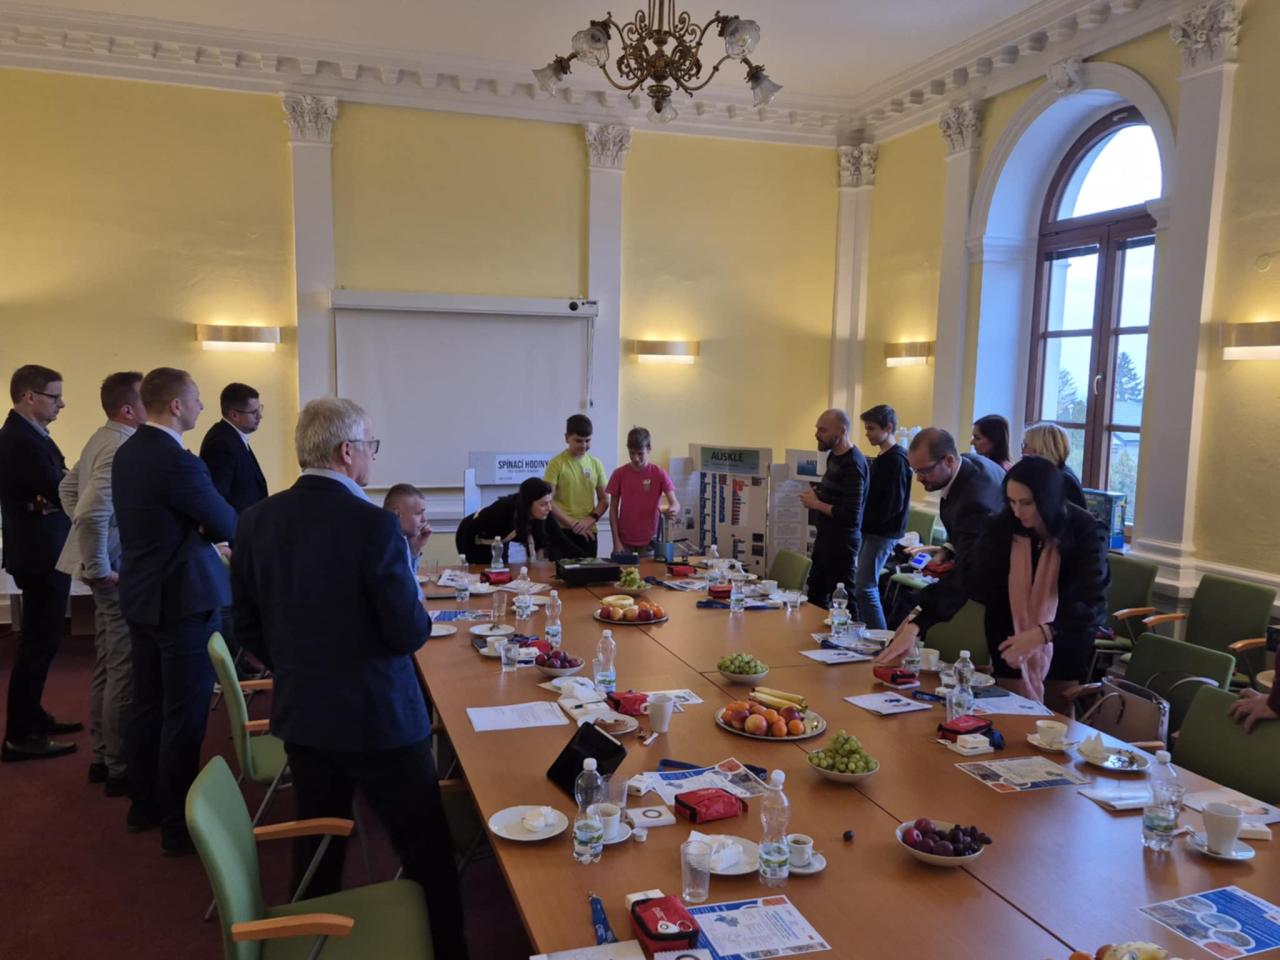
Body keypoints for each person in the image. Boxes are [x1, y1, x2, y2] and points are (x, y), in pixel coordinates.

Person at [231, 397, 467, 959]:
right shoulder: (373, 525)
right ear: (346, 451)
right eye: (369, 446)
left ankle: (308, 943)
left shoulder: (256, 520)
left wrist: (299, 666)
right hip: (380, 720)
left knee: (318, 845)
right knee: (427, 851)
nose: (371, 456)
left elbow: (246, 626)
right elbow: (407, 632)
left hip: (305, 714)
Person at [113, 367, 236, 854]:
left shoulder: (129, 452)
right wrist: (203, 528)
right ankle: (178, 825)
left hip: (141, 594)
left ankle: (143, 804)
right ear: (177, 406)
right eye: (198, 398)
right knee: (184, 714)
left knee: (147, 705)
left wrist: (198, 526)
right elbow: (225, 521)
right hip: (181, 601)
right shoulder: (177, 461)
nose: (202, 406)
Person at [876, 456, 1109, 710]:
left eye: (1026, 503)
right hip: (1008, 633)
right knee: (1011, 715)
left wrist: (1042, 633)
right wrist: (917, 624)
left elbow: (1092, 604)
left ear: (1049, 499)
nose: (1018, 511)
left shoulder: (1086, 531)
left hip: (1064, 639)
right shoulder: (1004, 526)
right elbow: (965, 577)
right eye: (1011, 502)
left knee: (1054, 720)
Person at [55, 371, 145, 793]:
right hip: (113, 570)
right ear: (128, 410)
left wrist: (93, 546)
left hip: (106, 564)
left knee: (109, 661)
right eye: (146, 400)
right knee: (122, 666)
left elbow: (67, 489)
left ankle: (102, 754)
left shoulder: (100, 437)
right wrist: (99, 564)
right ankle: (118, 765)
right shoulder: (120, 446)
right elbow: (89, 512)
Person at [0, 364, 81, 761]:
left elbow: (57, 486)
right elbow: (59, 487)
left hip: (44, 547)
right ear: (29, 396)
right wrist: (65, 487)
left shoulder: (30, 435)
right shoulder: (20, 440)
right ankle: (20, 735)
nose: (61, 404)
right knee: (37, 644)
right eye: (54, 396)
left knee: (42, 642)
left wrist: (60, 488)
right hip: (39, 552)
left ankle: (32, 716)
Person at [905, 427, 1004, 565]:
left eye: (925, 471)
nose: (919, 478)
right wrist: (947, 550)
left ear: (949, 461)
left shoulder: (973, 504)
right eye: (916, 471)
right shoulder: (967, 461)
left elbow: (971, 567)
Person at [800, 408, 868, 609]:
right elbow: (837, 496)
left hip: (842, 544)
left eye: (823, 430)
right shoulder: (833, 456)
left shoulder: (853, 464)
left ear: (841, 431)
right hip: (825, 538)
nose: (817, 434)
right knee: (815, 595)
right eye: (817, 429)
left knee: (844, 601)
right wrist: (818, 494)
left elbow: (850, 515)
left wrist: (815, 504)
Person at [855, 405, 911, 630]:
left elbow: (893, 504)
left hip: (883, 532)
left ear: (888, 428)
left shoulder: (897, 460)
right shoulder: (883, 457)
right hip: (872, 529)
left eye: (871, 428)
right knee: (862, 585)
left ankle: (881, 639)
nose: (867, 433)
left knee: (865, 587)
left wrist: (865, 522)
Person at [606, 426, 681, 557]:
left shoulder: (659, 473)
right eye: (632, 453)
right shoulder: (619, 474)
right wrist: (616, 541)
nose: (635, 458)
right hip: (624, 541)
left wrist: (673, 510)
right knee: (623, 570)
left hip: (650, 541)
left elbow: (675, 503)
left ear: (649, 449)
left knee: (650, 571)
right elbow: (613, 509)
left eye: (640, 453)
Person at [543, 413, 608, 559]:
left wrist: (590, 520)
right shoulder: (556, 463)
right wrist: (573, 524)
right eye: (578, 440)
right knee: (560, 573)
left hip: (589, 530)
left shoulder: (596, 464)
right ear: (567, 438)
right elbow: (548, 501)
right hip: (561, 531)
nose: (584, 445)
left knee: (587, 573)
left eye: (587, 440)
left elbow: (604, 500)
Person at [198, 382, 268, 516]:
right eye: (254, 412)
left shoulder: (232, 437)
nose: (260, 416)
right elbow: (218, 499)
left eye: (260, 409)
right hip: (237, 526)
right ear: (234, 415)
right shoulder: (221, 443)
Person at [455, 477, 554, 566]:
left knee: (502, 570)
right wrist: (469, 563)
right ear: (528, 504)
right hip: (472, 537)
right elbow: (469, 531)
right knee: (484, 573)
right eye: (543, 504)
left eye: (550, 502)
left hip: (500, 541)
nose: (549, 508)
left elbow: (540, 545)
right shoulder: (503, 509)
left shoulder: (541, 515)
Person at [1021, 422, 1087, 509]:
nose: (1023, 452)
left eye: (1026, 445)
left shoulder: (1063, 481)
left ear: (1041, 449)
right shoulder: (1051, 475)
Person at [383, 483, 432, 579]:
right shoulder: (386, 547)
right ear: (397, 514)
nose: (424, 519)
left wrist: (415, 549)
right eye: (418, 513)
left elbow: (409, 581)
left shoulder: (396, 540)